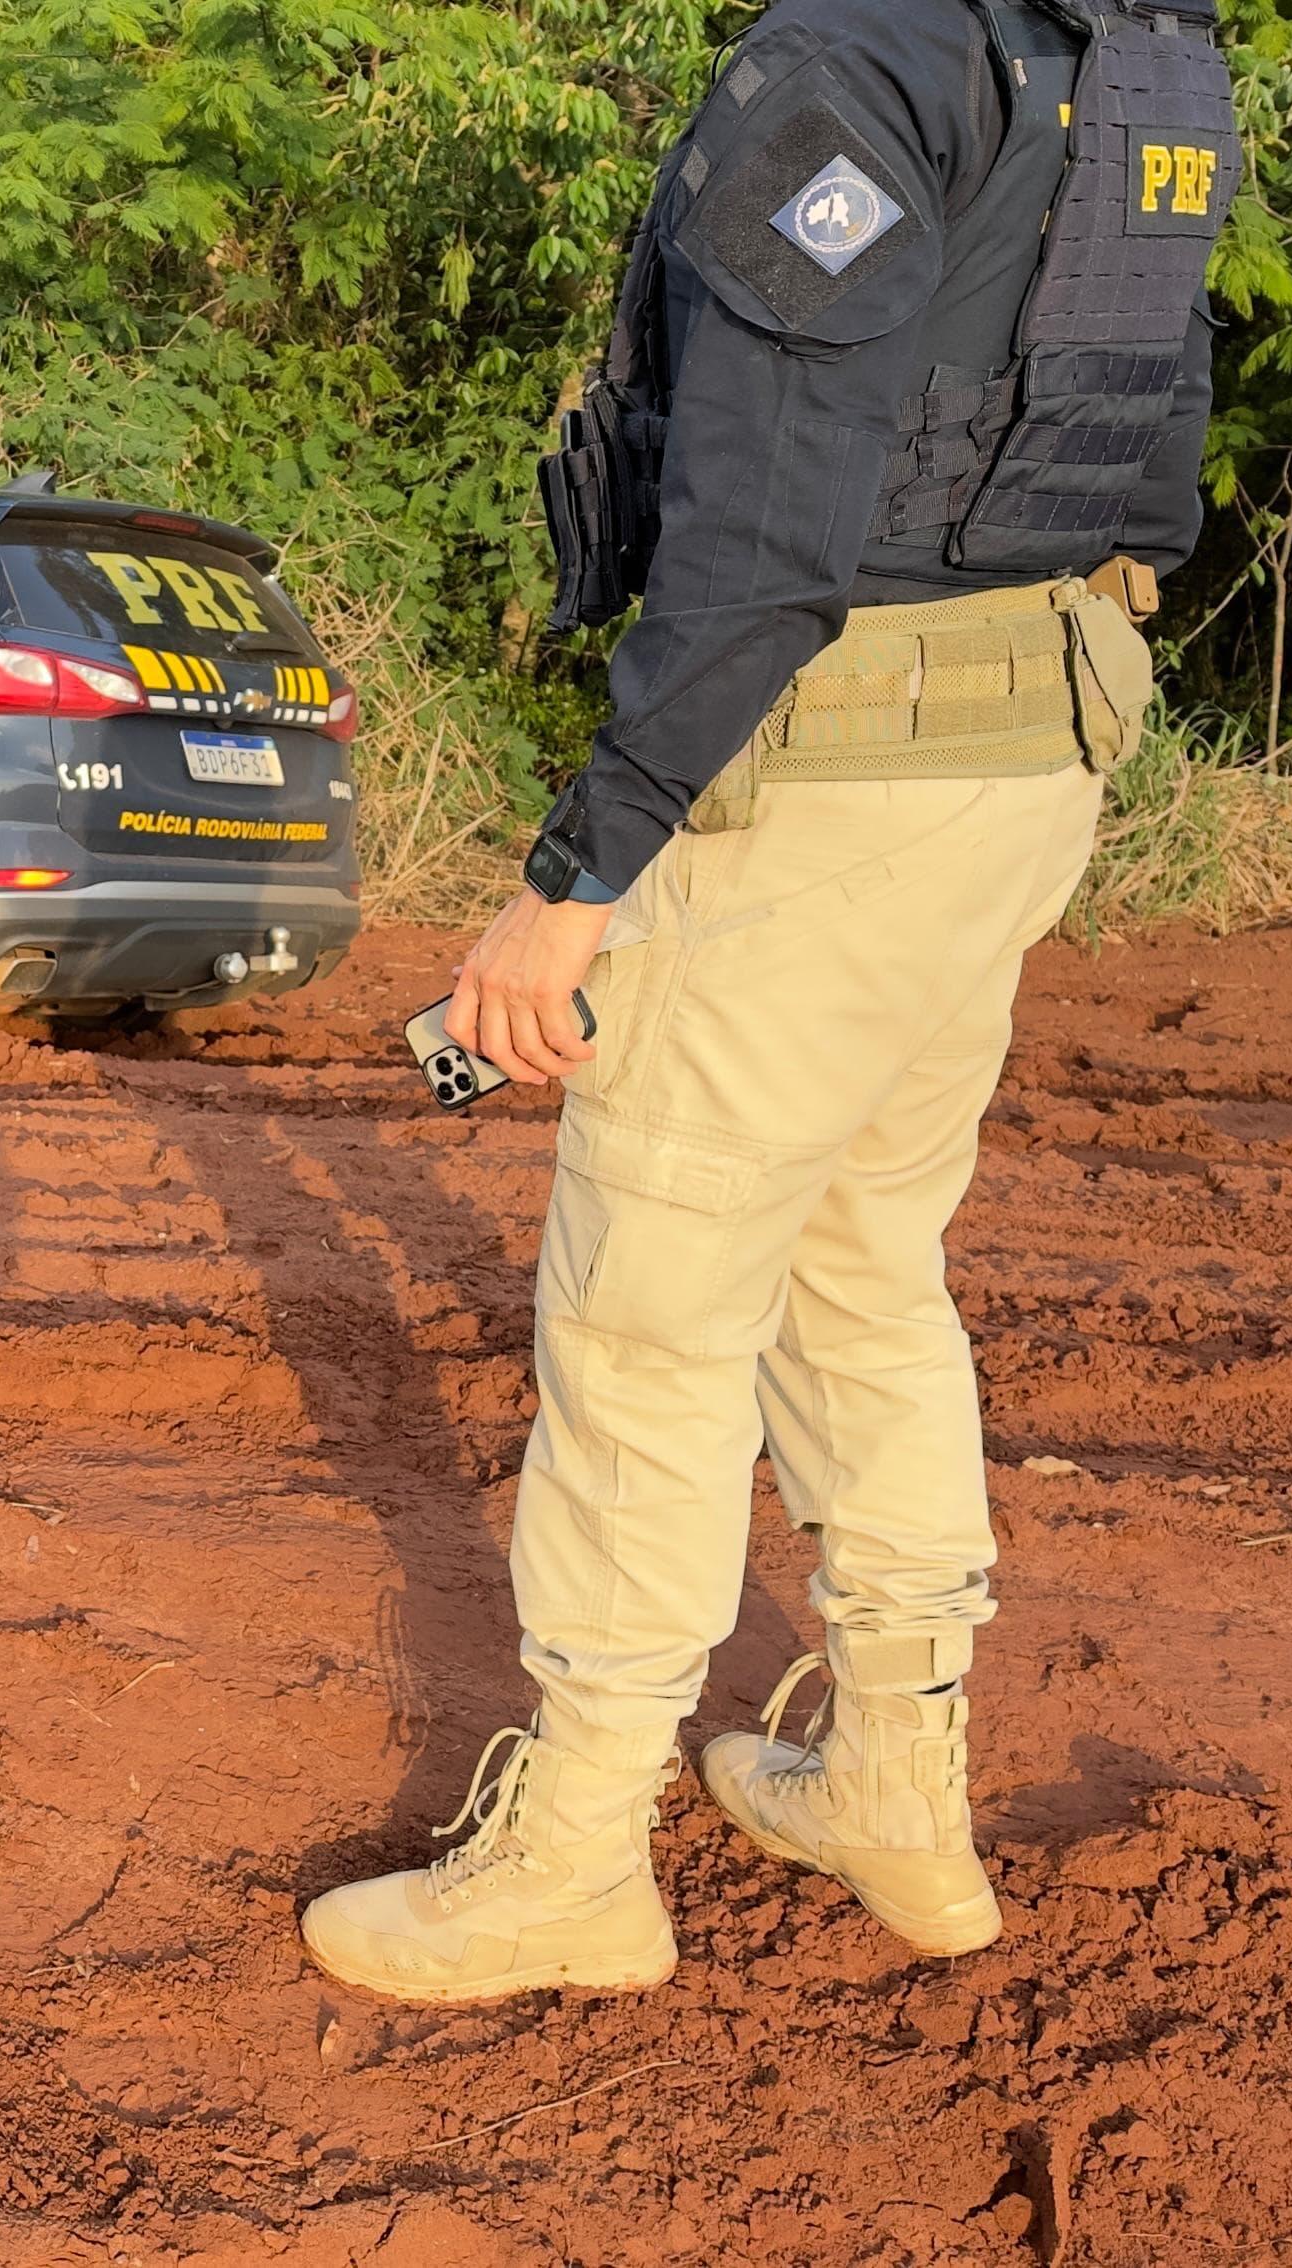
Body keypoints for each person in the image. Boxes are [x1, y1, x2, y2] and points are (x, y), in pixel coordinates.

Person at [301, 0, 1232, 1999]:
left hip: (846, 768)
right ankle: (894, 1772)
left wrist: (578, 875)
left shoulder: (867, 55)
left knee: (650, 1310)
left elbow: (769, 526)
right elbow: (1158, 445)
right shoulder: (1140, 51)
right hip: (1034, 740)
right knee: (856, 1263)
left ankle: (574, 1857)